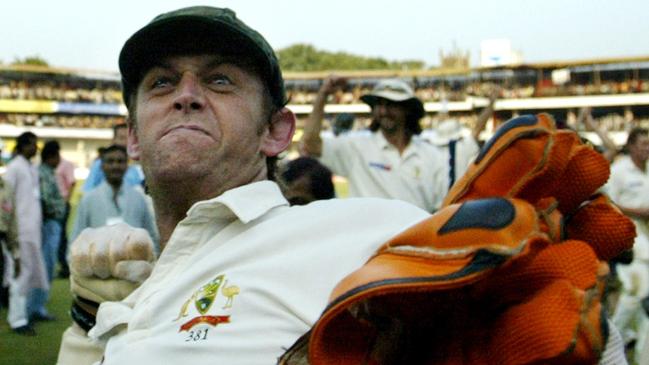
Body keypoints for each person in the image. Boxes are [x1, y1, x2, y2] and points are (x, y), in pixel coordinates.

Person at [58, 6, 627, 365]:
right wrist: (91, 322)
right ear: (131, 137)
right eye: (161, 83)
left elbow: (569, 325)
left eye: (220, 79)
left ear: (276, 132)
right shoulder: (132, 291)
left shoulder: (362, 228)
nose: (186, 93)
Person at [300, 76, 448, 212]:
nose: (383, 111)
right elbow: (310, 144)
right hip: (370, 240)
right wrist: (323, 95)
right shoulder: (356, 147)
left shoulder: (432, 156)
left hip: (415, 239)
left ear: (408, 110)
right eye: (379, 104)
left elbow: (440, 209)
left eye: (391, 104)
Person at [607, 127, 649, 362]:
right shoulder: (620, 171)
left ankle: (640, 350)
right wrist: (639, 212)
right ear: (631, 145)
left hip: (648, 239)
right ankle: (613, 339)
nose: (647, 148)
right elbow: (609, 202)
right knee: (636, 293)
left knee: (643, 300)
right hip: (631, 240)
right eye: (643, 144)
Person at [71, 144, 158, 252]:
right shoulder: (89, 199)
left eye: (120, 161)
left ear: (127, 166)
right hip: (99, 266)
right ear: (102, 166)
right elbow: (76, 240)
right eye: (110, 161)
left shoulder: (138, 198)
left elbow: (151, 237)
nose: (115, 166)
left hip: (133, 265)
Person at [3, 132, 50, 330]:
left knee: (30, 273)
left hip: (32, 230)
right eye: (31, 145)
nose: (35, 148)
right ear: (22, 146)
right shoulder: (14, 168)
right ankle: (17, 319)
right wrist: (8, 229)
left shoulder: (30, 167)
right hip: (19, 229)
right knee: (19, 273)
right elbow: (6, 199)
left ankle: (29, 312)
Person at [421, 89, 497, 189]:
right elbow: (479, 127)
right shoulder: (462, 148)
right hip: (455, 198)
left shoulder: (428, 149)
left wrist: (444, 104)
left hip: (432, 201)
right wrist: (491, 104)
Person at [82, 124, 144, 192]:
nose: (125, 142)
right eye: (121, 138)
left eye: (128, 139)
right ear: (114, 140)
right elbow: (88, 190)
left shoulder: (136, 169)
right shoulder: (99, 164)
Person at [39, 140, 66, 293]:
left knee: (48, 260)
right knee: (47, 261)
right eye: (57, 156)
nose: (59, 160)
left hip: (52, 221)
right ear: (51, 156)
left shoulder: (47, 172)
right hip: (50, 222)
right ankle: (38, 304)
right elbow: (45, 199)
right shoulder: (44, 173)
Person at [56, 151, 76, 278]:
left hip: (62, 203)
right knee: (58, 235)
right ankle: (62, 264)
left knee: (61, 235)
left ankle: (65, 266)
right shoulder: (54, 165)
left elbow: (72, 182)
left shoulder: (66, 164)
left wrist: (66, 199)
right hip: (55, 204)